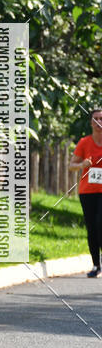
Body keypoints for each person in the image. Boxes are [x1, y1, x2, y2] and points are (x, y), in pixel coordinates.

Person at [70, 108, 102, 278]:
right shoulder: (84, 142)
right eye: (95, 119)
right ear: (91, 123)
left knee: (100, 223)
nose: (99, 122)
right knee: (91, 227)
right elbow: (71, 165)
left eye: (101, 119)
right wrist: (82, 164)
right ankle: (96, 265)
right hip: (87, 192)